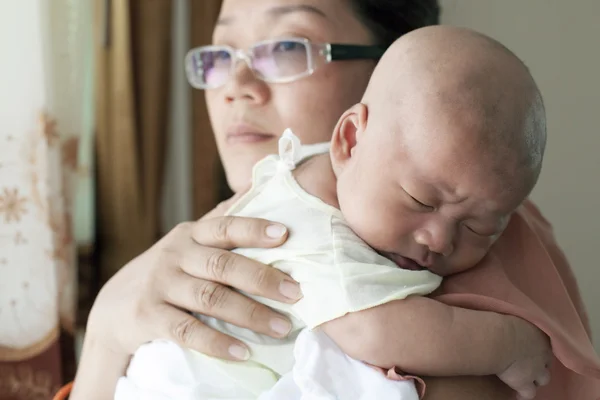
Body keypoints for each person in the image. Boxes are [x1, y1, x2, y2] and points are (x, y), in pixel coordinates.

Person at [68, 1, 600, 399]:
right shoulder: (246, 220)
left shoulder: (489, 253)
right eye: (221, 53)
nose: (237, 83)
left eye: (286, 48)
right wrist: (107, 331)